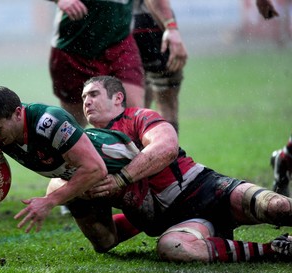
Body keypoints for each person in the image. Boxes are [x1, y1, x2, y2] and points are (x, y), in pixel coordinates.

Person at [46, 75, 292, 262]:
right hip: (183, 221)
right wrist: (75, 187)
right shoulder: (86, 143)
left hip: (206, 189)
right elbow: (54, 183)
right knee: (172, 247)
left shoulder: (139, 117)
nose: (86, 102)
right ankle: (274, 250)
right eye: (83, 98)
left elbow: (166, 147)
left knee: (278, 207)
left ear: (118, 98)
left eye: (94, 94)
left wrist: (121, 178)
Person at [0, 86, 107, 232]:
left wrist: (49, 201)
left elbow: (95, 168)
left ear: (18, 113)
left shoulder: (50, 122)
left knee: (130, 206)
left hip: (112, 167)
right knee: (104, 241)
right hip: (77, 180)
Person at [48, 0, 185, 127]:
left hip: (119, 44)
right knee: (74, 126)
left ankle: (146, 152)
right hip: (74, 47)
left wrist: (171, 27)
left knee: (132, 119)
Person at [132, 0, 187, 133]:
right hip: (150, 23)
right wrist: (171, 27)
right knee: (166, 104)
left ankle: (137, 151)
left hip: (117, 22)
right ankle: (166, 151)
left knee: (131, 108)